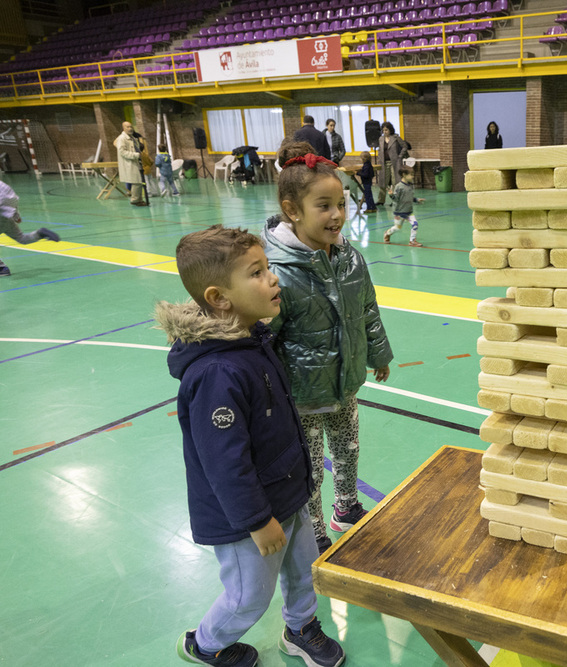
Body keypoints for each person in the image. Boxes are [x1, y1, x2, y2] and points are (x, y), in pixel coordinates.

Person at [155, 225, 345, 667]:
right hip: (246, 518)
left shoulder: (252, 340)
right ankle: (205, 643)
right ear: (220, 298)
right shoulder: (217, 373)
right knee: (248, 595)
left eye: (268, 268)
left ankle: (301, 628)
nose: (273, 279)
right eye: (257, 273)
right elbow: (224, 462)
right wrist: (258, 521)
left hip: (287, 494)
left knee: (304, 570)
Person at [263, 140, 394, 552]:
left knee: (348, 449)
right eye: (324, 205)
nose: (337, 214)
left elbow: (367, 308)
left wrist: (378, 353)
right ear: (292, 210)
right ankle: (315, 531)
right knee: (309, 471)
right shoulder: (277, 273)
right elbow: (264, 341)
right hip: (301, 397)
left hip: (344, 385)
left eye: (341, 203)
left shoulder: (349, 258)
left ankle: (347, 506)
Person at [0, 181, 60, 276]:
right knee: (22, 238)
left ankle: (1, 268)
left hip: (2, 215)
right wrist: (16, 215)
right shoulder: (3, 185)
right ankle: (39, 233)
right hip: (7, 217)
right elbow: (12, 199)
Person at [384, 166, 425, 247]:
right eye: (411, 174)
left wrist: (416, 200)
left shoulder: (410, 185)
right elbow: (396, 199)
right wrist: (391, 195)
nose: (413, 176)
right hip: (399, 212)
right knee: (397, 228)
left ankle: (412, 241)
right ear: (404, 175)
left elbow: (409, 197)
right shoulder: (399, 186)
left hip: (409, 211)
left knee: (415, 224)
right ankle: (387, 233)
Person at [114, 121, 147, 206]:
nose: (130, 129)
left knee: (139, 182)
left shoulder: (132, 137)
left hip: (136, 162)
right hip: (130, 163)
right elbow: (122, 152)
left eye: (131, 127)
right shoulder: (121, 138)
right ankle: (135, 200)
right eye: (127, 127)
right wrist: (136, 155)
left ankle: (139, 199)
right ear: (123, 128)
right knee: (136, 181)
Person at [377, 122, 407, 206]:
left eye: (386, 130)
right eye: (383, 130)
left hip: (395, 162)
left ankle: (395, 200)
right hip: (384, 163)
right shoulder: (381, 139)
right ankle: (381, 200)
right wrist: (379, 159)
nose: (385, 132)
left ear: (390, 130)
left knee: (395, 181)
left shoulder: (396, 138)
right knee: (383, 181)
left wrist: (400, 156)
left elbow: (405, 146)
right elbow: (380, 150)